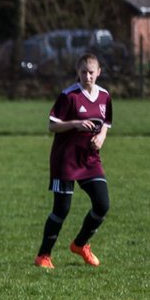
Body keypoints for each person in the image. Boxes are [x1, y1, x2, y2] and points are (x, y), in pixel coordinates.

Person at [34, 53, 112, 269]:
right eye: (83, 72)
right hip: (65, 160)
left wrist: (102, 137)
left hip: (89, 160)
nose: (87, 76)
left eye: (91, 72)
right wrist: (76, 123)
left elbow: (105, 122)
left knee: (102, 204)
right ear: (78, 73)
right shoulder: (68, 96)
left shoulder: (105, 95)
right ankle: (43, 256)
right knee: (62, 209)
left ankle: (80, 244)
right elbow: (52, 125)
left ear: (99, 72)